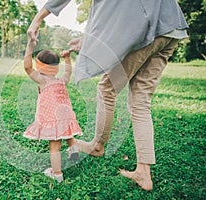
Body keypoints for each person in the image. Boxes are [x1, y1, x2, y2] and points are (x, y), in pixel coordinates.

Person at [27, 0, 188, 191]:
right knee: (141, 102)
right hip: (172, 26)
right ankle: (143, 172)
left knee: (106, 89)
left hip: (147, 28)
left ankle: (98, 145)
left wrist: (38, 18)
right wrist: (87, 40)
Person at [23, 38, 82, 183]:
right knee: (66, 130)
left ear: (40, 66)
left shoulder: (43, 81)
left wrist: (30, 47)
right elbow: (68, 72)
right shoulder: (61, 80)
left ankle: (57, 174)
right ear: (56, 67)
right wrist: (67, 58)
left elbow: (27, 68)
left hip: (52, 118)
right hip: (66, 115)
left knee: (54, 148)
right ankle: (73, 147)